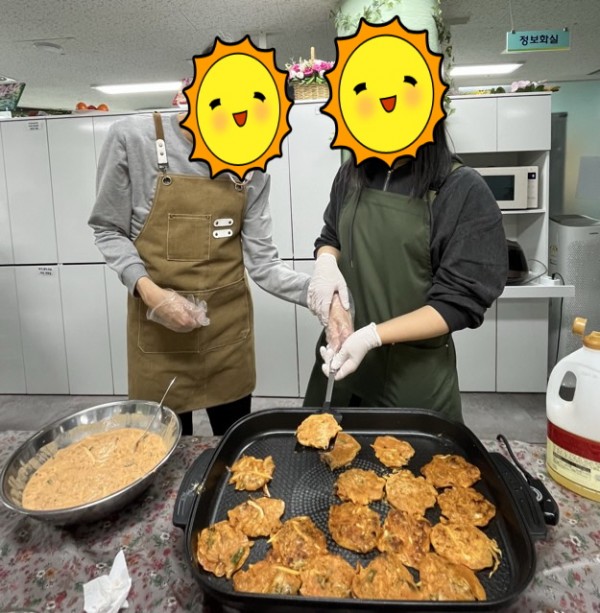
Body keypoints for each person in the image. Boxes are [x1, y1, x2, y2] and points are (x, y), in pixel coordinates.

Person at [89, 110, 309, 436]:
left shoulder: (252, 163)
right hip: (159, 338)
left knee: (234, 445)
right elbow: (108, 229)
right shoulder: (133, 138)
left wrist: (316, 292)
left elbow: (263, 263)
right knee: (168, 448)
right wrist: (151, 293)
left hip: (227, 336)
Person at [303, 121, 508, 423]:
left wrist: (372, 336)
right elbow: (331, 237)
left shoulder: (460, 188)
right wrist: (326, 265)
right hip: (341, 361)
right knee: (321, 448)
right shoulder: (351, 174)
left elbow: (458, 303)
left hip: (412, 378)